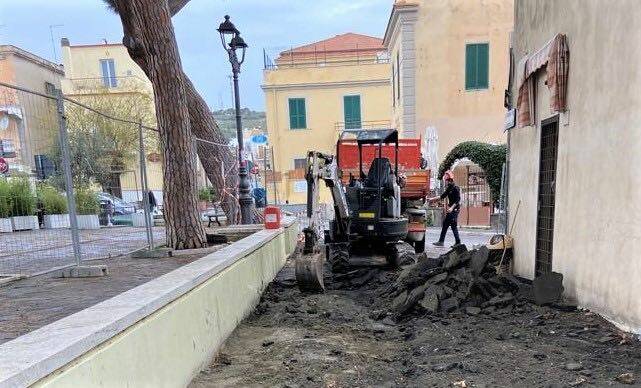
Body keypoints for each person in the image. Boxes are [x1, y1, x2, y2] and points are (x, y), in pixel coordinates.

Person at [427, 170, 461, 247]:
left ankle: (457, 242)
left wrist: (452, 208)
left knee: (453, 226)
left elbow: (458, 200)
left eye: (446, 181)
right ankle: (441, 241)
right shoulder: (449, 188)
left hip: (454, 210)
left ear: (449, 180)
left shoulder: (456, 188)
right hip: (451, 210)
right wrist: (431, 199)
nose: (445, 182)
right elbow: (442, 196)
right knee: (446, 225)